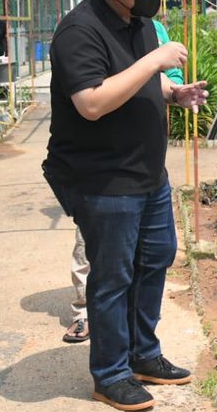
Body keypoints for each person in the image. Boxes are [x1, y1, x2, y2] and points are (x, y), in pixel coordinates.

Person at [42, 0, 208, 412]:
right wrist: (156, 60)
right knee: (112, 277)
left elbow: (135, 84)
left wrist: (173, 93)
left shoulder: (134, 21)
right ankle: (110, 374)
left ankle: (142, 354)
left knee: (156, 257)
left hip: (145, 173)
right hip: (102, 179)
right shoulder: (79, 32)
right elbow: (92, 101)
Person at [63, 17, 187, 346]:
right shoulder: (87, 31)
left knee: (151, 249)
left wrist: (176, 91)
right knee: (92, 246)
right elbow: (89, 98)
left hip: (144, 162)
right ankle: (84, 312)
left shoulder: (155, 30)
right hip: (102, 168)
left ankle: (135, 335)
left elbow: (167, 77)